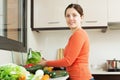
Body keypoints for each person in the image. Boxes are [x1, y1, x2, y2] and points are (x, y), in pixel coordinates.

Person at [39, 3, 94, 80]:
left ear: (81, 17)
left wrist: (46, 63)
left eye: (74, 15)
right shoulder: (76, 35)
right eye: (68, 16)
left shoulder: (79, 34)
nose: (70, 18)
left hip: (81, 77)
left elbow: (68, 61)